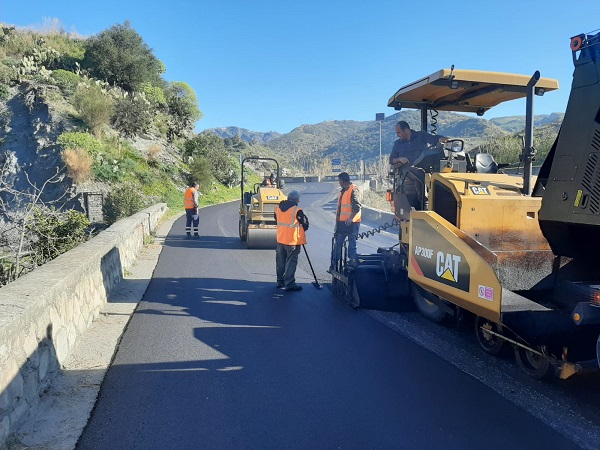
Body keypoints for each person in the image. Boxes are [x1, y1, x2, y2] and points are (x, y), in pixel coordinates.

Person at [389, 120, 447, 209]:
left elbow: (434, 139)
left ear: (406, 130)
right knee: (419, 173)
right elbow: (391, 159)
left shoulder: (421, 135)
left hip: (425, 167)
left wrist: (444, 140)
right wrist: (399, 159)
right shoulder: (397, 144)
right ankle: (424, 202)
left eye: (399, 132)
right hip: (407, 170)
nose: (397, 135)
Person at [274, 190, 309, 291]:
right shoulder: (296, 210)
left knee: (280, 261)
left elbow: (277, 219)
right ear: (296, 199)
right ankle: (289, 283)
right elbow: (305, 224)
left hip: (280, 239)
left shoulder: (277, 208)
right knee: (291, 262)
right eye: (298, 198)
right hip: (292, 241)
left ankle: (280, 281)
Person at [330, 172, 361, 271]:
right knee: (338, 244)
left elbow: (357, 206)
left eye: (339, 181)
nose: (339, 183)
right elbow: (340, 210)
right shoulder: (343, 191)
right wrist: (337, 224)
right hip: (342, 223)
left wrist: (351, 218)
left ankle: (352, 265)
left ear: (342, 181)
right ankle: (334, 265)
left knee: (352, 244)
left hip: (352, 223)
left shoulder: (353, 190)